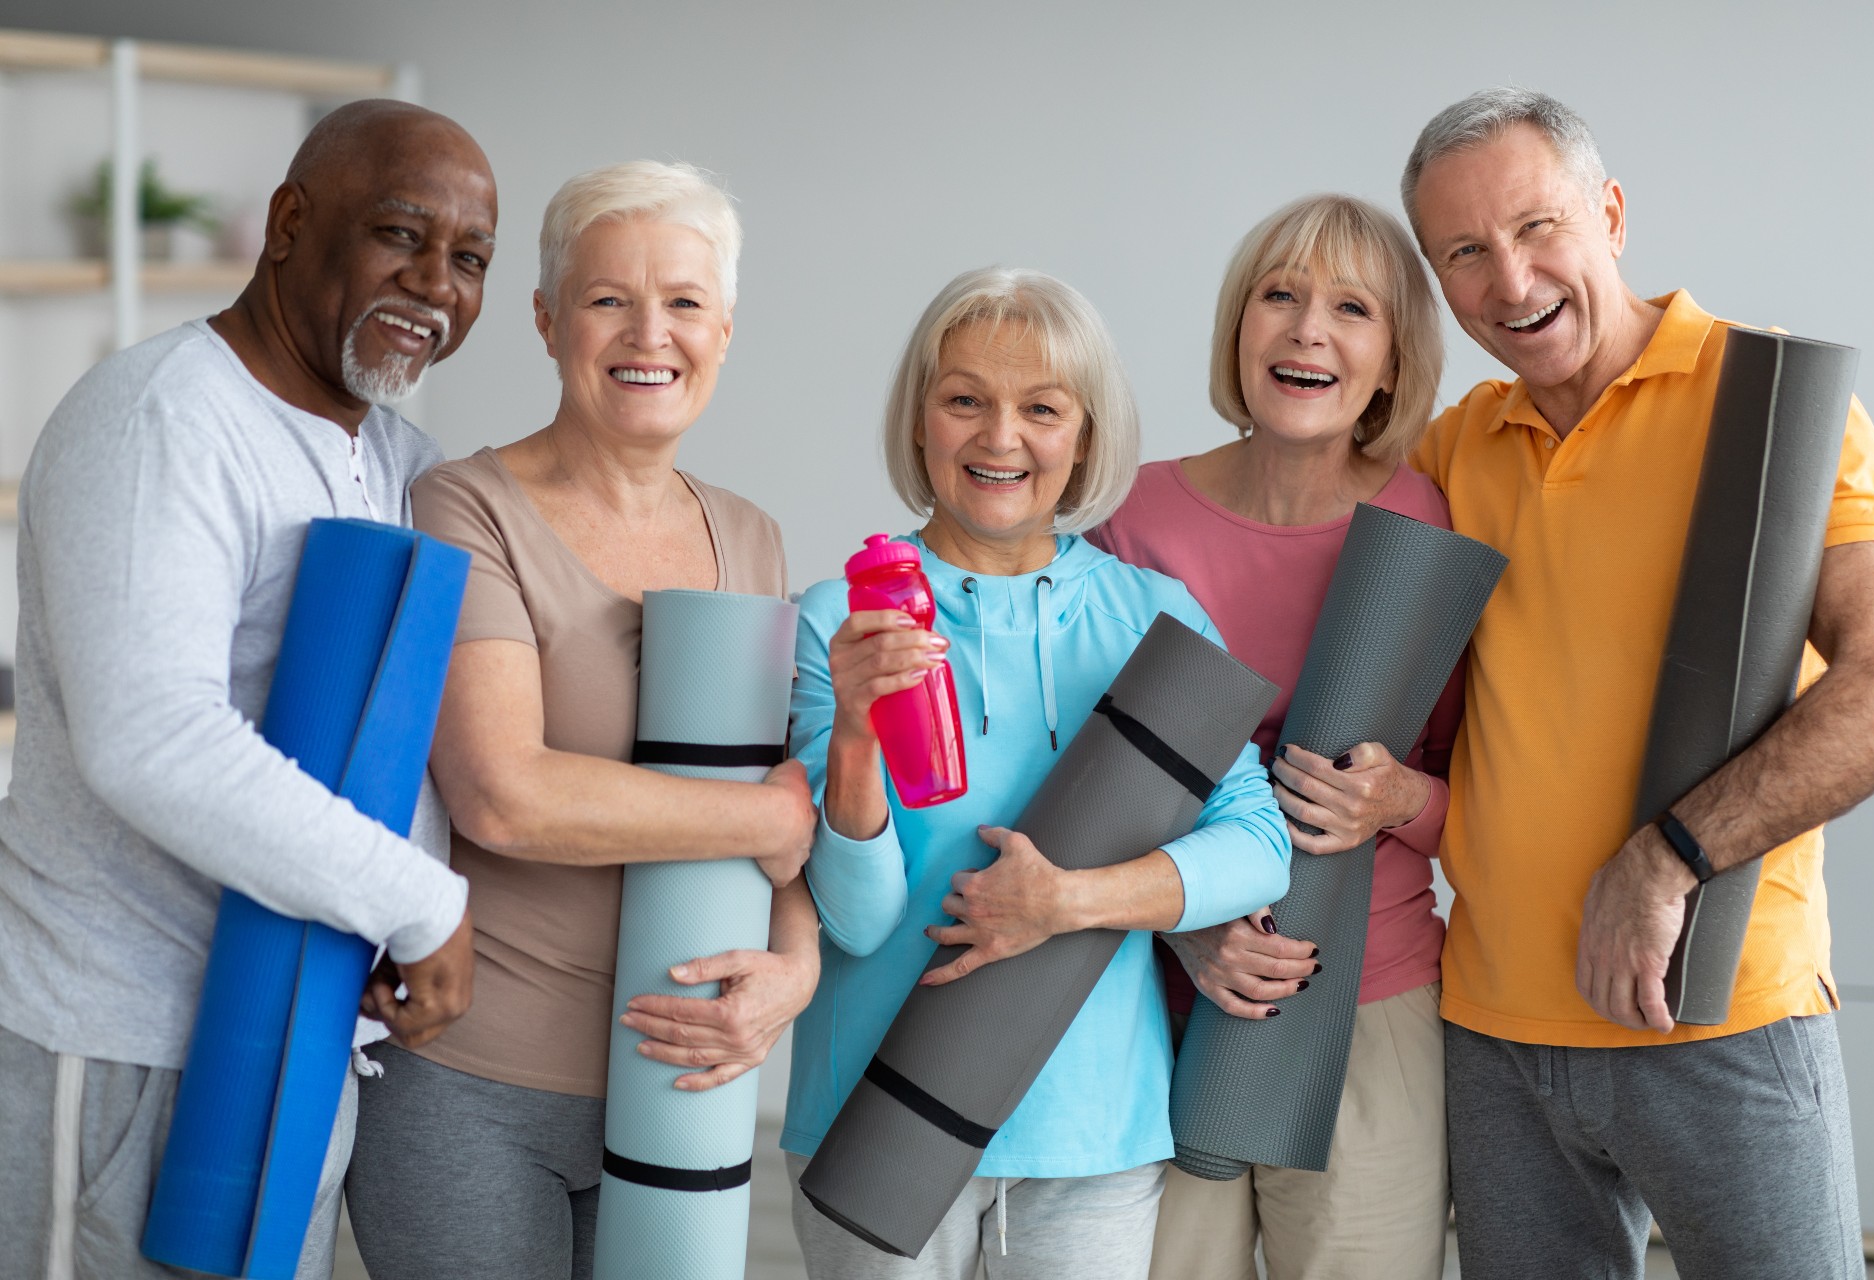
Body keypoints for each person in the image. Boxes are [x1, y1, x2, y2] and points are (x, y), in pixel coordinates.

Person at [1401, 87, 1874, 1279]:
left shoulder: (1778, 410)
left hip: (1723, 1016)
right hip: (1495, 1034)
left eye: (1538, 228)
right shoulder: (1452, 446)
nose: (1511, 281)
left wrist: (1671, 853)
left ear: (1613, 213)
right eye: (1465, 254)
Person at [0, 100, 495, 1280]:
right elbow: (152, 737)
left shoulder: (390, 457)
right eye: (399, 234)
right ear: (289, 224)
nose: (434, 282)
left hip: (298, 1030)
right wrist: (424, 903)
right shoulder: (164, 416)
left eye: (468, 258)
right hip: (128, 1044)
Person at [342, 160, 819, 1280]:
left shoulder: (750, 534)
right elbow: (506, 791)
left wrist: (793, 971)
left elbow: (792, 813)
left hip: (682, 1083)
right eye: (609, 298)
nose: (649, 332)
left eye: (685, 302)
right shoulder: (466, 506)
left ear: (726, 329)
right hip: (473, 1082)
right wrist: (756, 816)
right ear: (550, 319)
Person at [780, 266, 1292, 1280]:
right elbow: (855, 916)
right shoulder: (841, 616)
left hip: (1090, 1123)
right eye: (964, 398)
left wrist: (1070, 899)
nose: (999, 437)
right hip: (873, 1109)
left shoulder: (1154, 615)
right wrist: (853, 732)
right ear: (920, 420)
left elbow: (1259, 845)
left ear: (1085, 434)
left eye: (1041, 408)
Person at [1091, 193, 1456, 1280]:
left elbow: (1471, 790)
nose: (1308, 329)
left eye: (1351, 307)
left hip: (1373, 1000)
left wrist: (1397, 800)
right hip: (1156, 998)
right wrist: (1182, 932)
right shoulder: (1133, 519)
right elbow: (1086, 782)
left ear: (1391, 360)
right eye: (1280, 295)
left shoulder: (1432, 525)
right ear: (1238, 328)